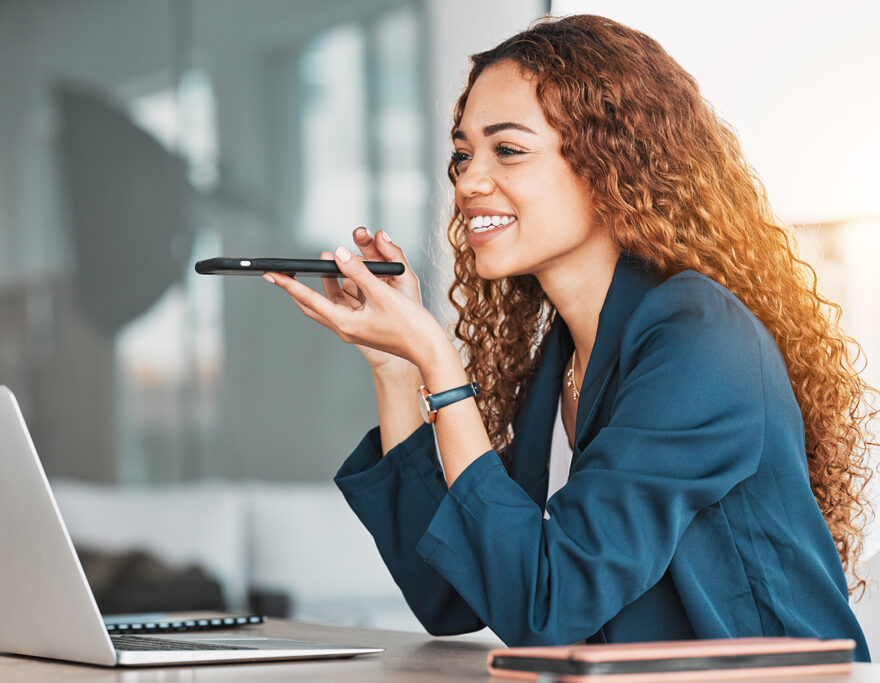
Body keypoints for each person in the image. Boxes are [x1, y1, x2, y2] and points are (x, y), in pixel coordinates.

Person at [265, 14, 875, 660]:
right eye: (463, 153)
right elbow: (450, 590)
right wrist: (395, 368)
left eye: (508, 149)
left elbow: (550, 601)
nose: (469, 181)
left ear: (609, 161)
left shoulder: (700, 342)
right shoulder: (563, 357)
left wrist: (439, 362)